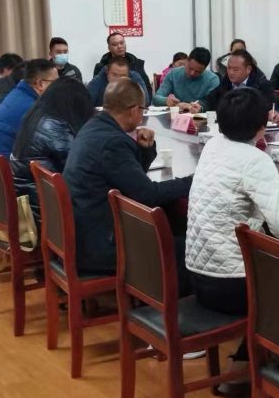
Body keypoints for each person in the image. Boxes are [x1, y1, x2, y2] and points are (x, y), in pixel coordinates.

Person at [187, 87, 279, 315]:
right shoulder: (256, 160)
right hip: (235, 285)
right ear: (262, 127)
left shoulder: (212, 145)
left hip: (198, 278)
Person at [64, 79, 192, 276]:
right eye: (143, 109)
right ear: (133, 110)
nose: (142, 115)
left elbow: (129, 180)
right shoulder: (113, 143)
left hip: (84, 232)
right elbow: (148, 195)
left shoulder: (93, 126)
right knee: (189, 249)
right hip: (102, 245)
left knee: (172, 227)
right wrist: (192, 181)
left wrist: (144, 150)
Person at [11, 79, 94, 223]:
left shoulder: (36, 116)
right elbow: (79, 169)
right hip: (44, 215)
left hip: (31, 205)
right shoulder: (54, 128)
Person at [0, 59, 58, 158]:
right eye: (56, 82)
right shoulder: (31, 107)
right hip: (5, 163)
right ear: (40, 84)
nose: (59, 86)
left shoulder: (18, 94)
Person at [197, 49, 273, 113]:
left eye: (235, 69)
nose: (231, 72)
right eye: (229, 68)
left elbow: (267, 110)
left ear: (248, 69)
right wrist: (200, 106)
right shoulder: (226, 81)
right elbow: (210, 100)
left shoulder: (262, 85)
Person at [152, 47, 219, 109]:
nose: (192, 73)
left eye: (197, 71)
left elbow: (212, 103)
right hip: (177, 115)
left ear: (204, 69)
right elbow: (156, 98)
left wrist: (199, 107)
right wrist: (166, 101)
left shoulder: (212, 80)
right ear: (186, 61)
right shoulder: (173, 74)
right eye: (190, 68)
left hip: (200, 116)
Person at [92, 31, 151, 98]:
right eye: (115, 44)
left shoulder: (136, 64)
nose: (119, 46)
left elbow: (147, 88)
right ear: (109, 48)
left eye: (122, 43)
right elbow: (94, 91)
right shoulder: (101, 67)